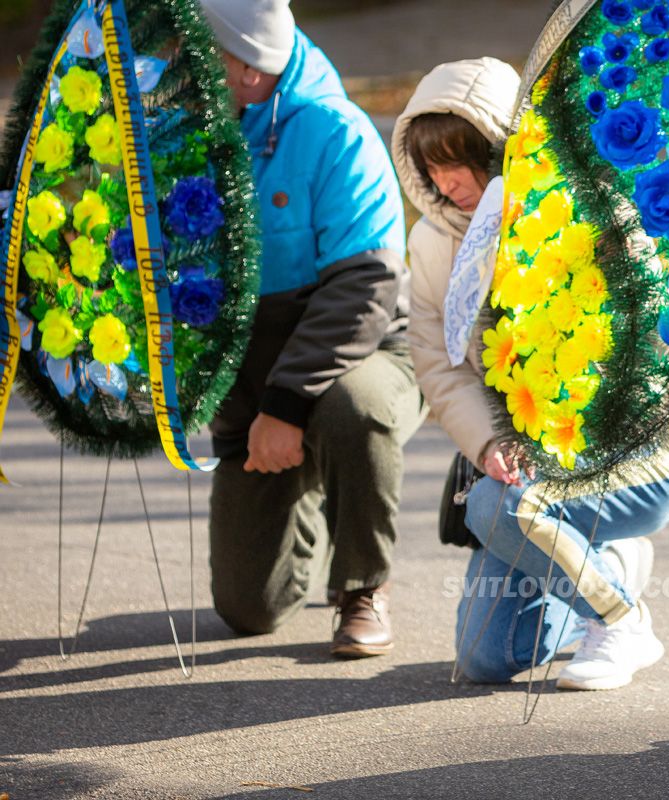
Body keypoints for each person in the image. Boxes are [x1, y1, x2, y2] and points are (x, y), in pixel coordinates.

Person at [392, 58, 669, 691]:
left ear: (507, 147)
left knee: (490, 503)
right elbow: (440, 363)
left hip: (633, 454)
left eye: (463, 160)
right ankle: (605, 569)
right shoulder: (430, 243)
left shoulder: (583, 204)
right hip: (522, 470)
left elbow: (653, 330)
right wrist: (489, 443)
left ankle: (621, 618)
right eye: (432, 166)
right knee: (484, 658)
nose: (448, 181)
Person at [199, 0, 424, 658]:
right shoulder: (198, 127)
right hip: (259, 375)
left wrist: (286, 404)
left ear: (246, 67)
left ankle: (362, 586)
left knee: (352, 410)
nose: (185, 66)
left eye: (203, 52)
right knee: (248, 609)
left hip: (364, 350)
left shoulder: (336, 131)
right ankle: (305, 474)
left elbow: (365, 286)